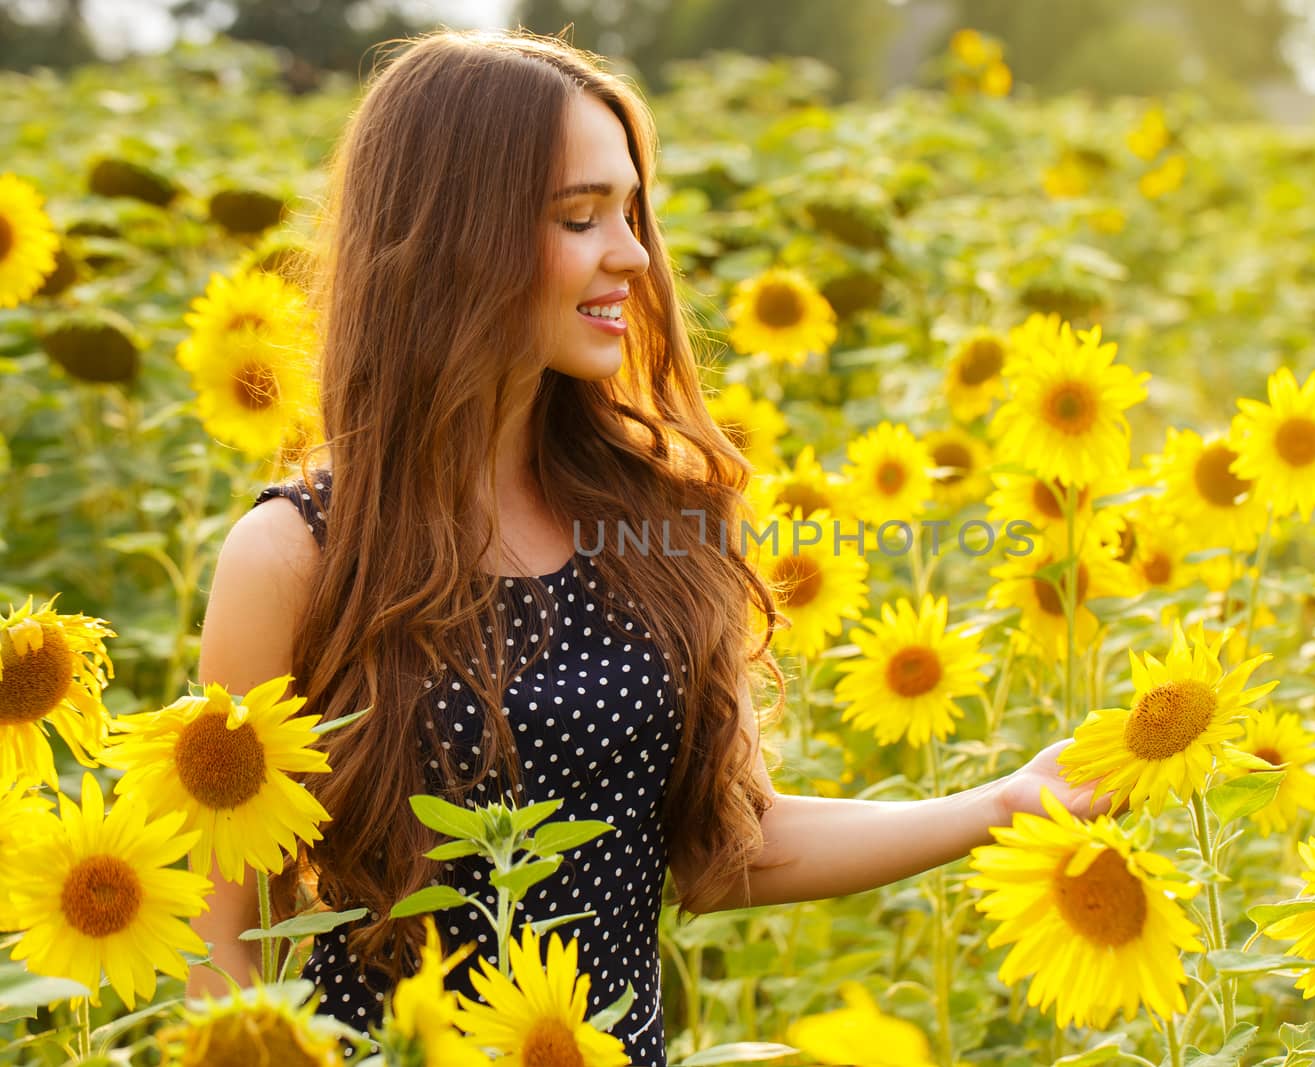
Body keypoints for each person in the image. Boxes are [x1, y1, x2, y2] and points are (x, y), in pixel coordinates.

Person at [190, 29, 1104, 1065]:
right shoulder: (296, 557)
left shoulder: (655, 518)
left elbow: (731, 845)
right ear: (451, 237)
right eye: (580, 217)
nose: (631, 253)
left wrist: (1002, 800)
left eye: (631, 212)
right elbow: (228, 931)